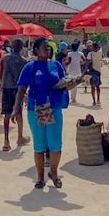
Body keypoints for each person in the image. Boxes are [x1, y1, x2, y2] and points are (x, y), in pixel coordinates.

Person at [15, 38, 68, 189]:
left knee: (55, 144)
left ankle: (54, 173)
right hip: (36, 109)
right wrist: (16, 108)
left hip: (54, 108)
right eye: (45, 48)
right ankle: (40, 177)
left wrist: (70, 83)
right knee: (39, 145)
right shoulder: (30, 67)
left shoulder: (56, 65)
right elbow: (21, 89)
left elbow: (63, 81)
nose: (48, 50)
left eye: (49, 48)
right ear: (36, 50)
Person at [0, 39, 29, 152]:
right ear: (21, 48)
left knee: (6, 115)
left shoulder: (5, 58)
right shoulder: (23, 61)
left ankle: (6, 141)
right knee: (19, 113)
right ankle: (19, 137)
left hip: (6, 87)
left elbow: (1, 72)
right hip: (17, 89)